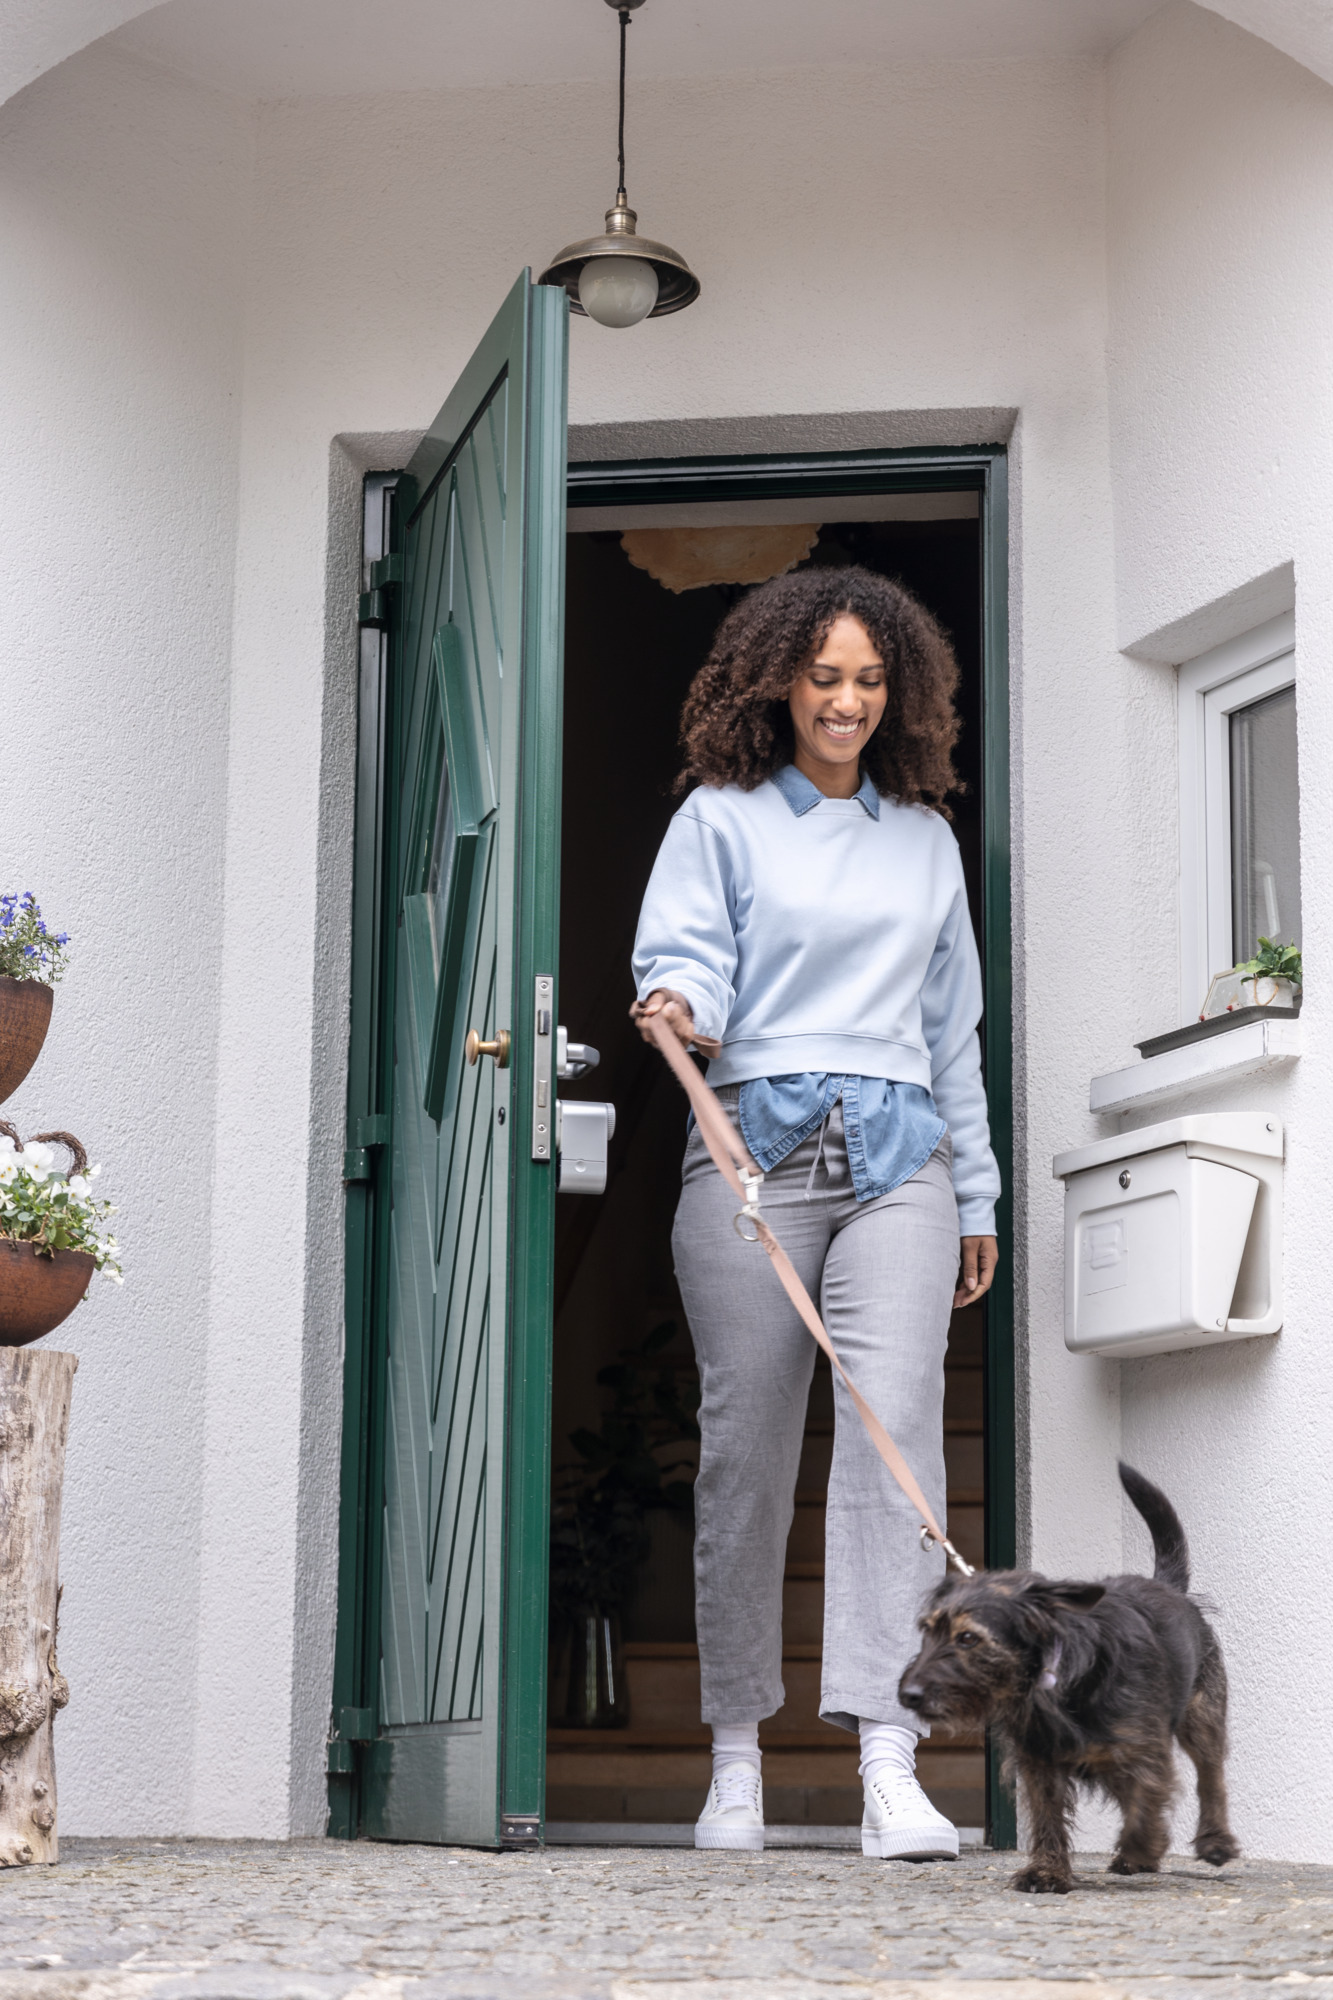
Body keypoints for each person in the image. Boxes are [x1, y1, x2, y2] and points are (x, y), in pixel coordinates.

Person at [631, 565, 1000, 1859]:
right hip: (754, 1155)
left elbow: (953, 1029)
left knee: (895, 1433)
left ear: (897, 693)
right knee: (745, 1454)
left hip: (901, 1153)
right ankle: (734, 1757)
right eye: (824, 676)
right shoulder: (722, 820)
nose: (845, 700)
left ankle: (888, 1765)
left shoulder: (925, 841)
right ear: (780, 680)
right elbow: (684, 954)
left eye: (867, 680)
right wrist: (683, 1003)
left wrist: (981, 1190)